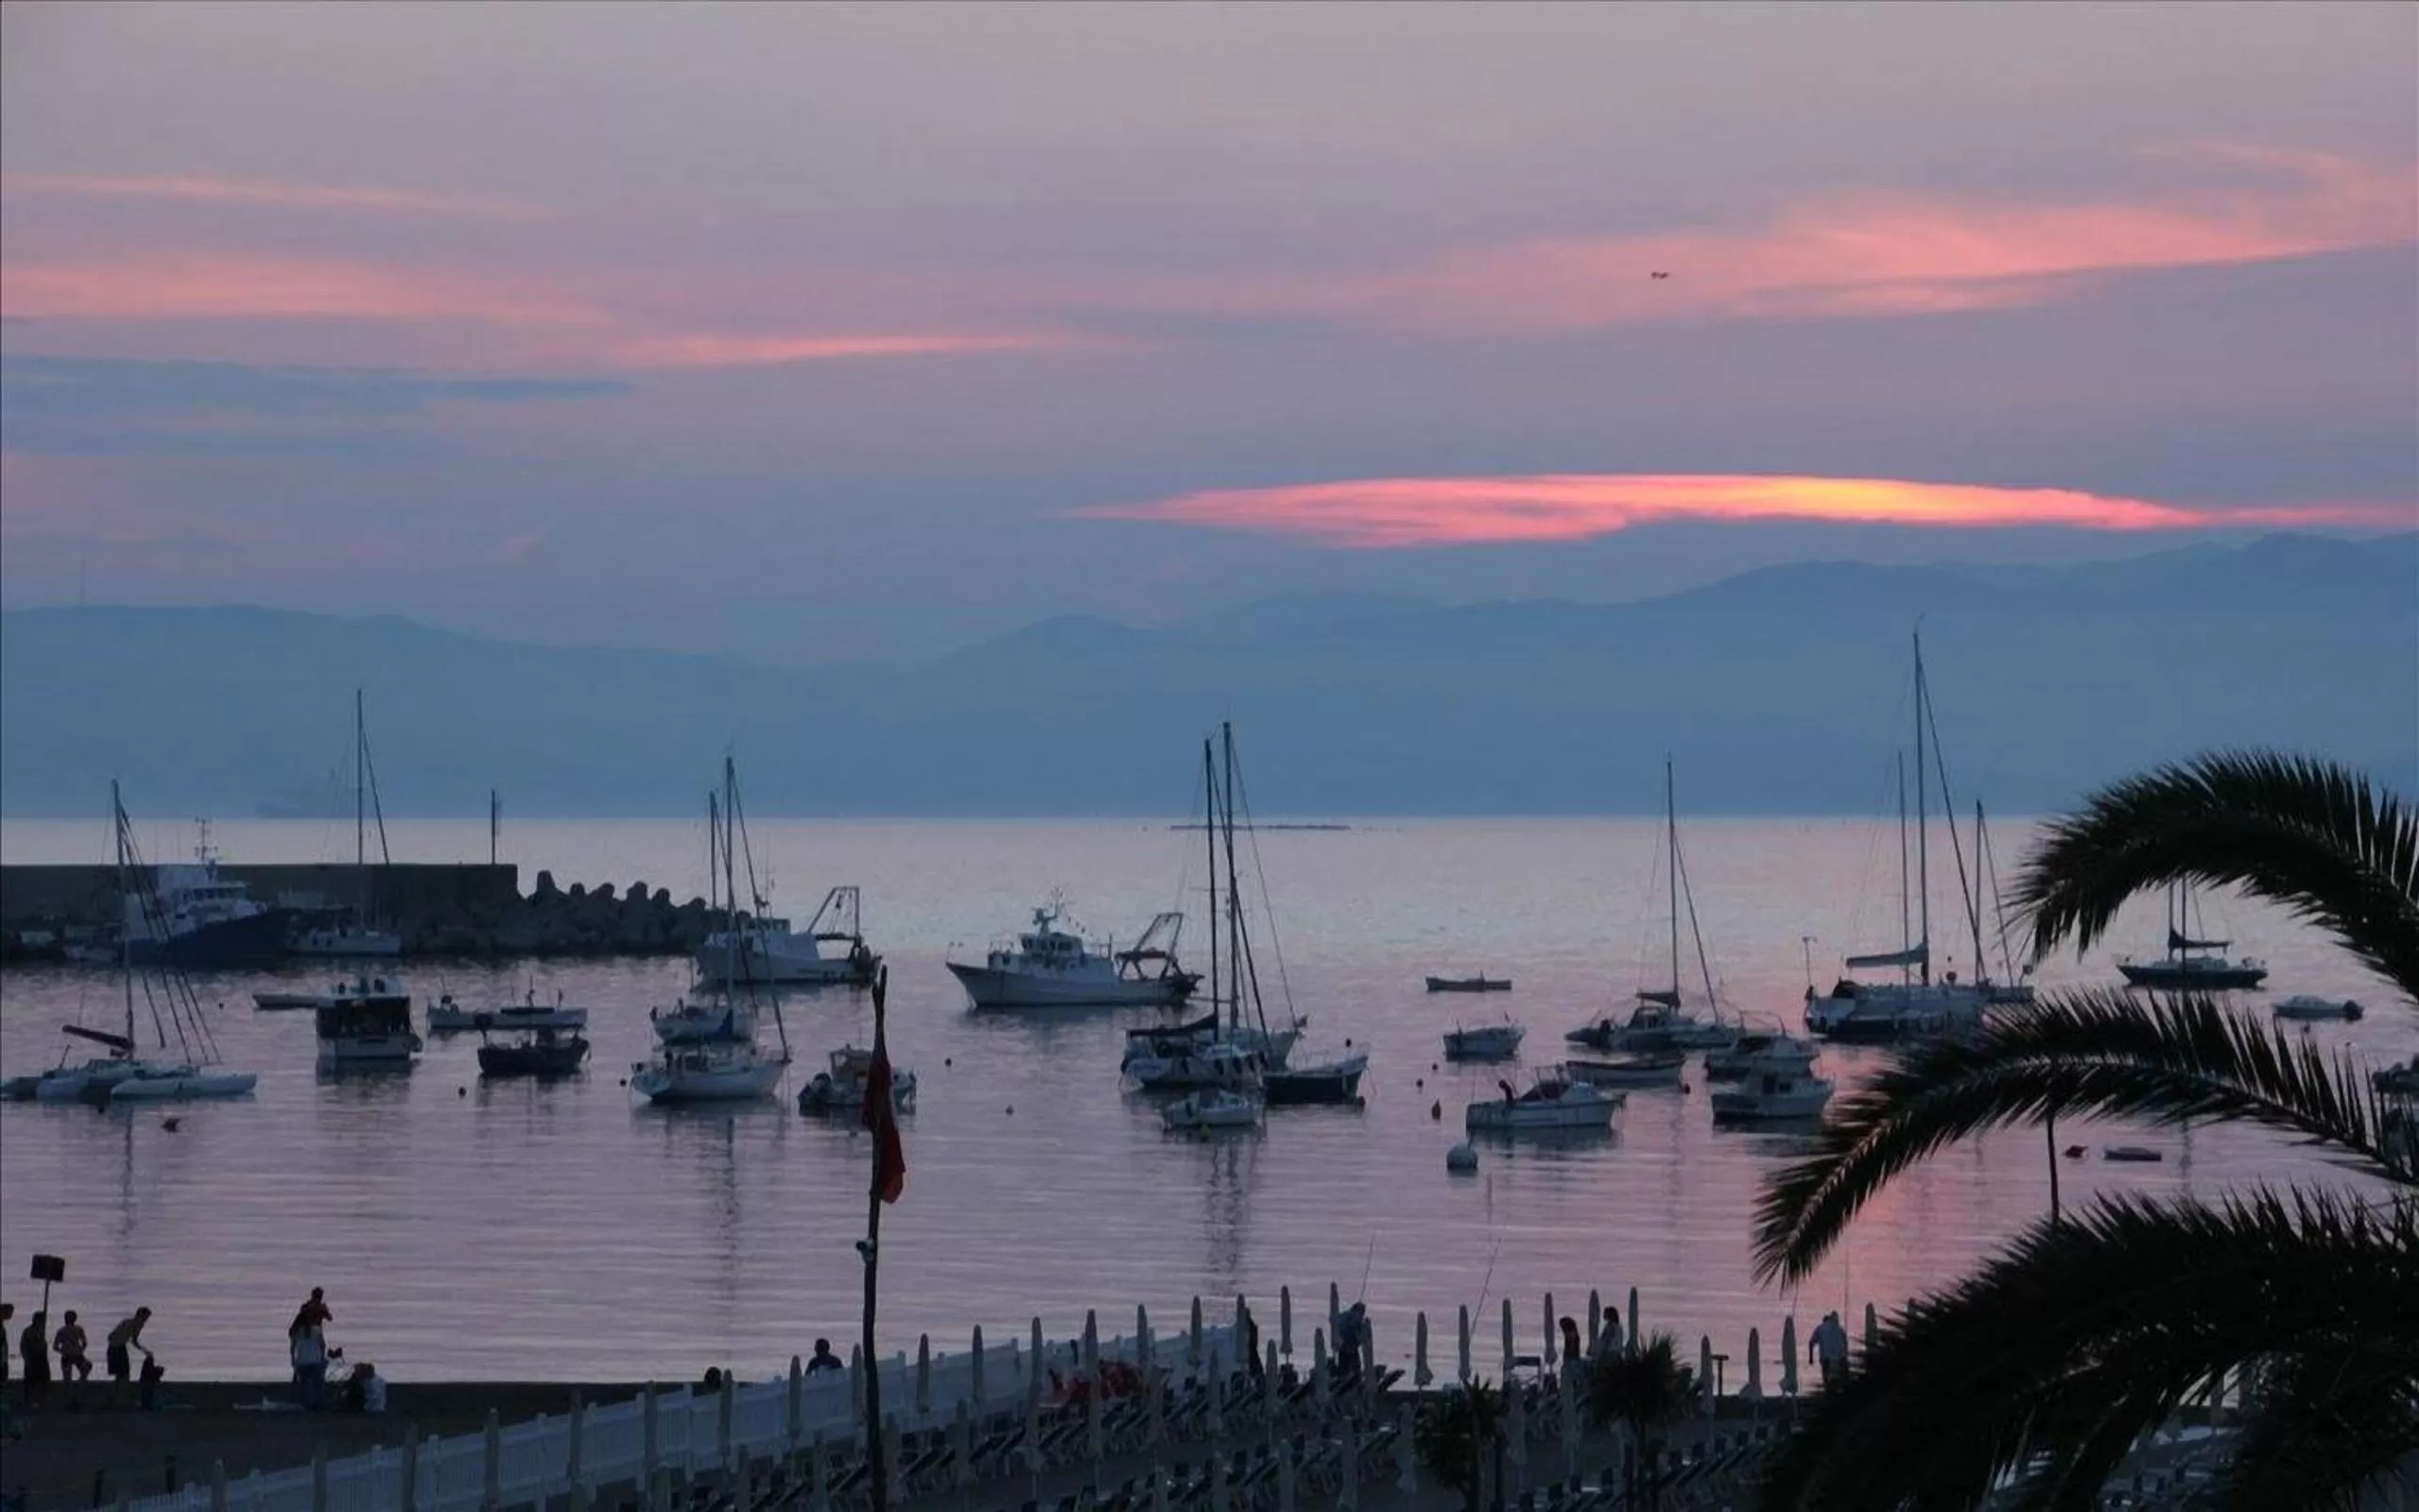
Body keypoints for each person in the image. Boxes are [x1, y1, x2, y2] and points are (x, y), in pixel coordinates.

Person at [106, 1309, 150, 1402]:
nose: (146, 1320)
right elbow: (134, 1341)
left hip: (112, 1348)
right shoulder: (138, 1324)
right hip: (119, 1348)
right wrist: (145, 1351)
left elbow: (110, 1336)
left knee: (119, 1375)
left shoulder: (126, 1321)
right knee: (125, 1375)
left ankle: (116, 1396)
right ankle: (121, 1397)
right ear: (141, 1316)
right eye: (146, 1317)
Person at [291, 1320, 328, 1409]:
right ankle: (316, 1402)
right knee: (317, 1383)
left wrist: (293, 1360)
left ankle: (308, 1402)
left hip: (302, 1362)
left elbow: (292, 1347)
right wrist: (322, 1358)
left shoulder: (297, 1332)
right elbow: (322, 1345)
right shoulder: (317, 1330)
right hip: (315, 1360)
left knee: (305, 1383)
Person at [1810, 1311, 1851, 1391]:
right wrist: (1846, 1358)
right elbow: (1846, 1344)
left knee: (1827, 1382)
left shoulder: (1820, 1328)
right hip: (1840, 1358)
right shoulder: (1840, 1329)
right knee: (1844, 1383)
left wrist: (1811, 1358)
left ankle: (1828, 1393)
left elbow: (1811, 1343)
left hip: (1826, 1359)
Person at [17, 1313, 49, 1407]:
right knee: (30, 1380)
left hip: (41, 1359)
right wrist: (27, 1359)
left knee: (44, 1380)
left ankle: (41, 1400)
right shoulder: (29, 1331)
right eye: (41, 1320)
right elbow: (24, 1346)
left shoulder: (41, 1331)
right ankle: (29, 1400)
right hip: (32, 1358)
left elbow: (43, 1346)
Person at [54, 1311, 91, 1385]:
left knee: (67, 1378)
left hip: (67, 1355)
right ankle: (81, 1382)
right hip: (76, 1354)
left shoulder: (62, 1331)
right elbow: (84, 1343)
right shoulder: (78, 1329)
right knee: (86, 1368)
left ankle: (72, 1386)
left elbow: (55, 1346)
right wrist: (80, 1350)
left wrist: (62, 1351)